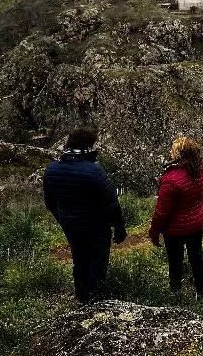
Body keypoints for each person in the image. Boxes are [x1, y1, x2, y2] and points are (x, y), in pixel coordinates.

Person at [43, 128, 126, 302]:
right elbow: (112, 204)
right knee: (97, 262)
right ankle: (96, 300)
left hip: (71, 226)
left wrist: (63, 219)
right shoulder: (94, 172)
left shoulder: (52, 170)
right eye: (96, 144)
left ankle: (81, 297)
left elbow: (50, 203)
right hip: (96, 227)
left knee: (79, 260)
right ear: (88, 147)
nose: (98, 148)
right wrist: (119, 227)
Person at [149, 137, 203, 298]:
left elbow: (161, 212)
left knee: (175, 258)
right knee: (197, 256)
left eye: (173, 150)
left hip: (174, 228)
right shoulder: (202, 169)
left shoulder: (170, 180)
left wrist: (154, 232)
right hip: (197, 221)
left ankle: (176, 290)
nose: (171, 152)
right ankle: (201, 291)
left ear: (180, 154)